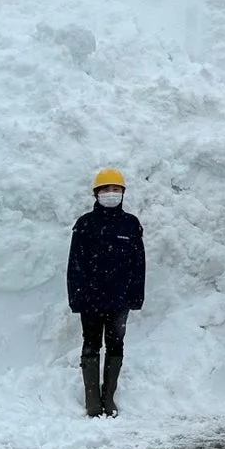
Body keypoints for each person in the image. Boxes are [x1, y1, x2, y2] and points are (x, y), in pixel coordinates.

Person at [65, 167, 145, 417]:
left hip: (119, 300)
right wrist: (76, 297)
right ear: (96, 193)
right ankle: (92, 400)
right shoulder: (85, 224)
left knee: (115, 345)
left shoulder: (130, 224)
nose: (111, 193)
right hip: (90, 299)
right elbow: (75, 263)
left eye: (116, 189)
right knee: (90, 346)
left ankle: (108, 397)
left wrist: (136, 295)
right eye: (106, 189)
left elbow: (138, 263)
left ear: (123, 193)